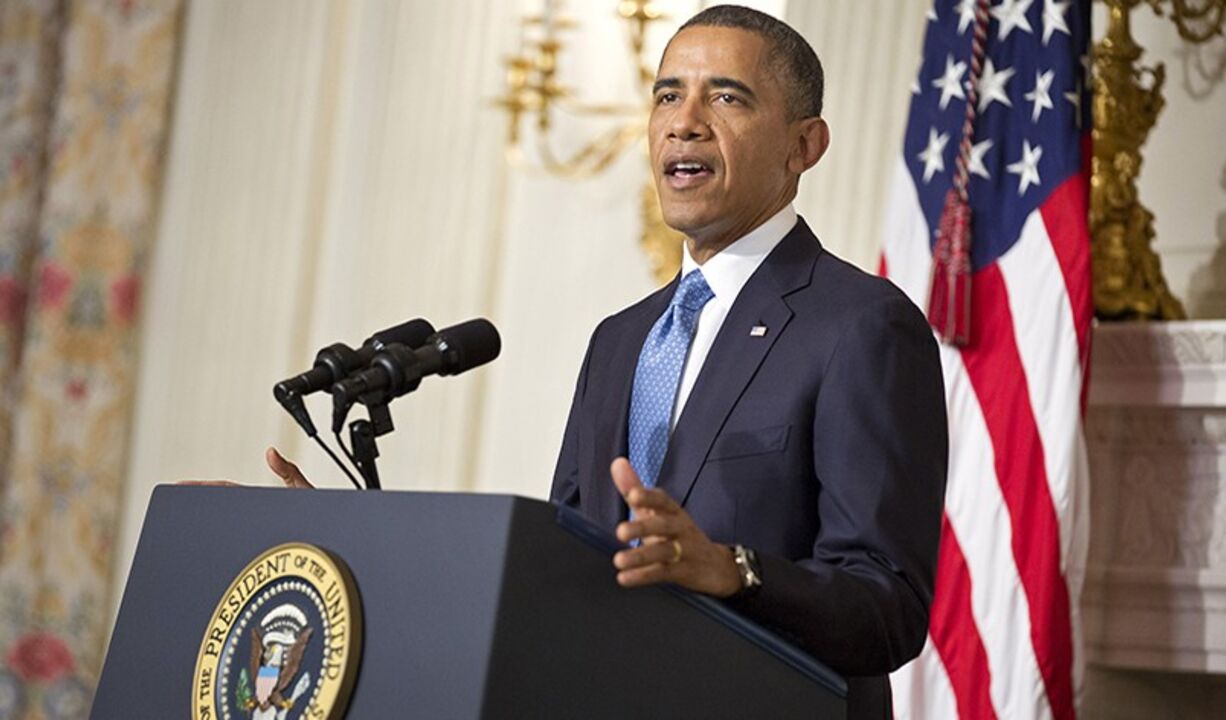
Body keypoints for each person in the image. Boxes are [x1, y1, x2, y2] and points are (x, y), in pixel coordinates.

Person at [267, 6, 947, 716]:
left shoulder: (860, 326)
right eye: (667, 95)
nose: (684, 122)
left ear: (803, 145)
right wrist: (362, 552)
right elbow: (556, 573)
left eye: (726, 97)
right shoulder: (620, 340)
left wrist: (732, 571)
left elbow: (888, 607)